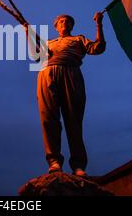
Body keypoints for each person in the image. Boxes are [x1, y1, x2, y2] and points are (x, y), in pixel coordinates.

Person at [24, 12, 105, 176]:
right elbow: (36, 56)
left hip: (71, 73)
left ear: (71, 26)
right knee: (48, 118)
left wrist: (99, 25)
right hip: (47, 74)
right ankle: (53, 161)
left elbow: (98, 48)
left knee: (73, 120)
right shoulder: (49, 42)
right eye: (61, 21)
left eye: (68, 21)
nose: (64, 23)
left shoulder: (78, 39)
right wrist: (28, 34)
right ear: (56, 25)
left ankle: (78, 164)